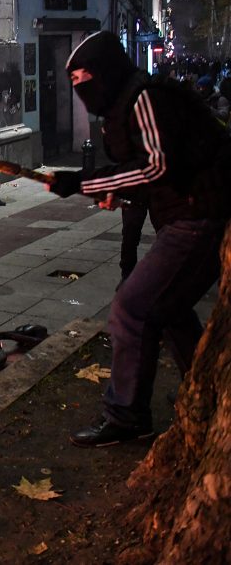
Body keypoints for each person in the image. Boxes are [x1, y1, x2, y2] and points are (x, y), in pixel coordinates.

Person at [46, 31, 230, 448]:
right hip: (186, 212)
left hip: (198, 215)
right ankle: (205, 390)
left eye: (84, 80)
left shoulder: (145, 97)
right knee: (169, 307)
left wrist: (85, 181)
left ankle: (127, 414)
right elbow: (148, 169)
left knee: (133, 305)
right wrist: (117, 189)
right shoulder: (125, 104)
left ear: (105, 74)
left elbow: (158, 166)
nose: (80, 90)